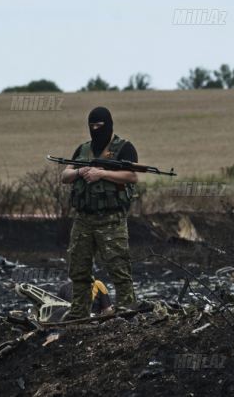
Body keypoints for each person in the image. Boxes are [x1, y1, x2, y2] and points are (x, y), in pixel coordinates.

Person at [60, 106, 138, 319]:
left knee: (119, 268)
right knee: (78, 269)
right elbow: (65, 175)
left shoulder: (124, 148)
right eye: (92, 126)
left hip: (111, 219)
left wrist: (102, 174)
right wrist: (79, 172)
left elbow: (132, 176)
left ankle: (126, 310)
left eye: (99, 126)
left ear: (109, 125)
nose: (96, 129)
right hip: (84, 219)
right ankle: (79, 313)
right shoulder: (83, 150)